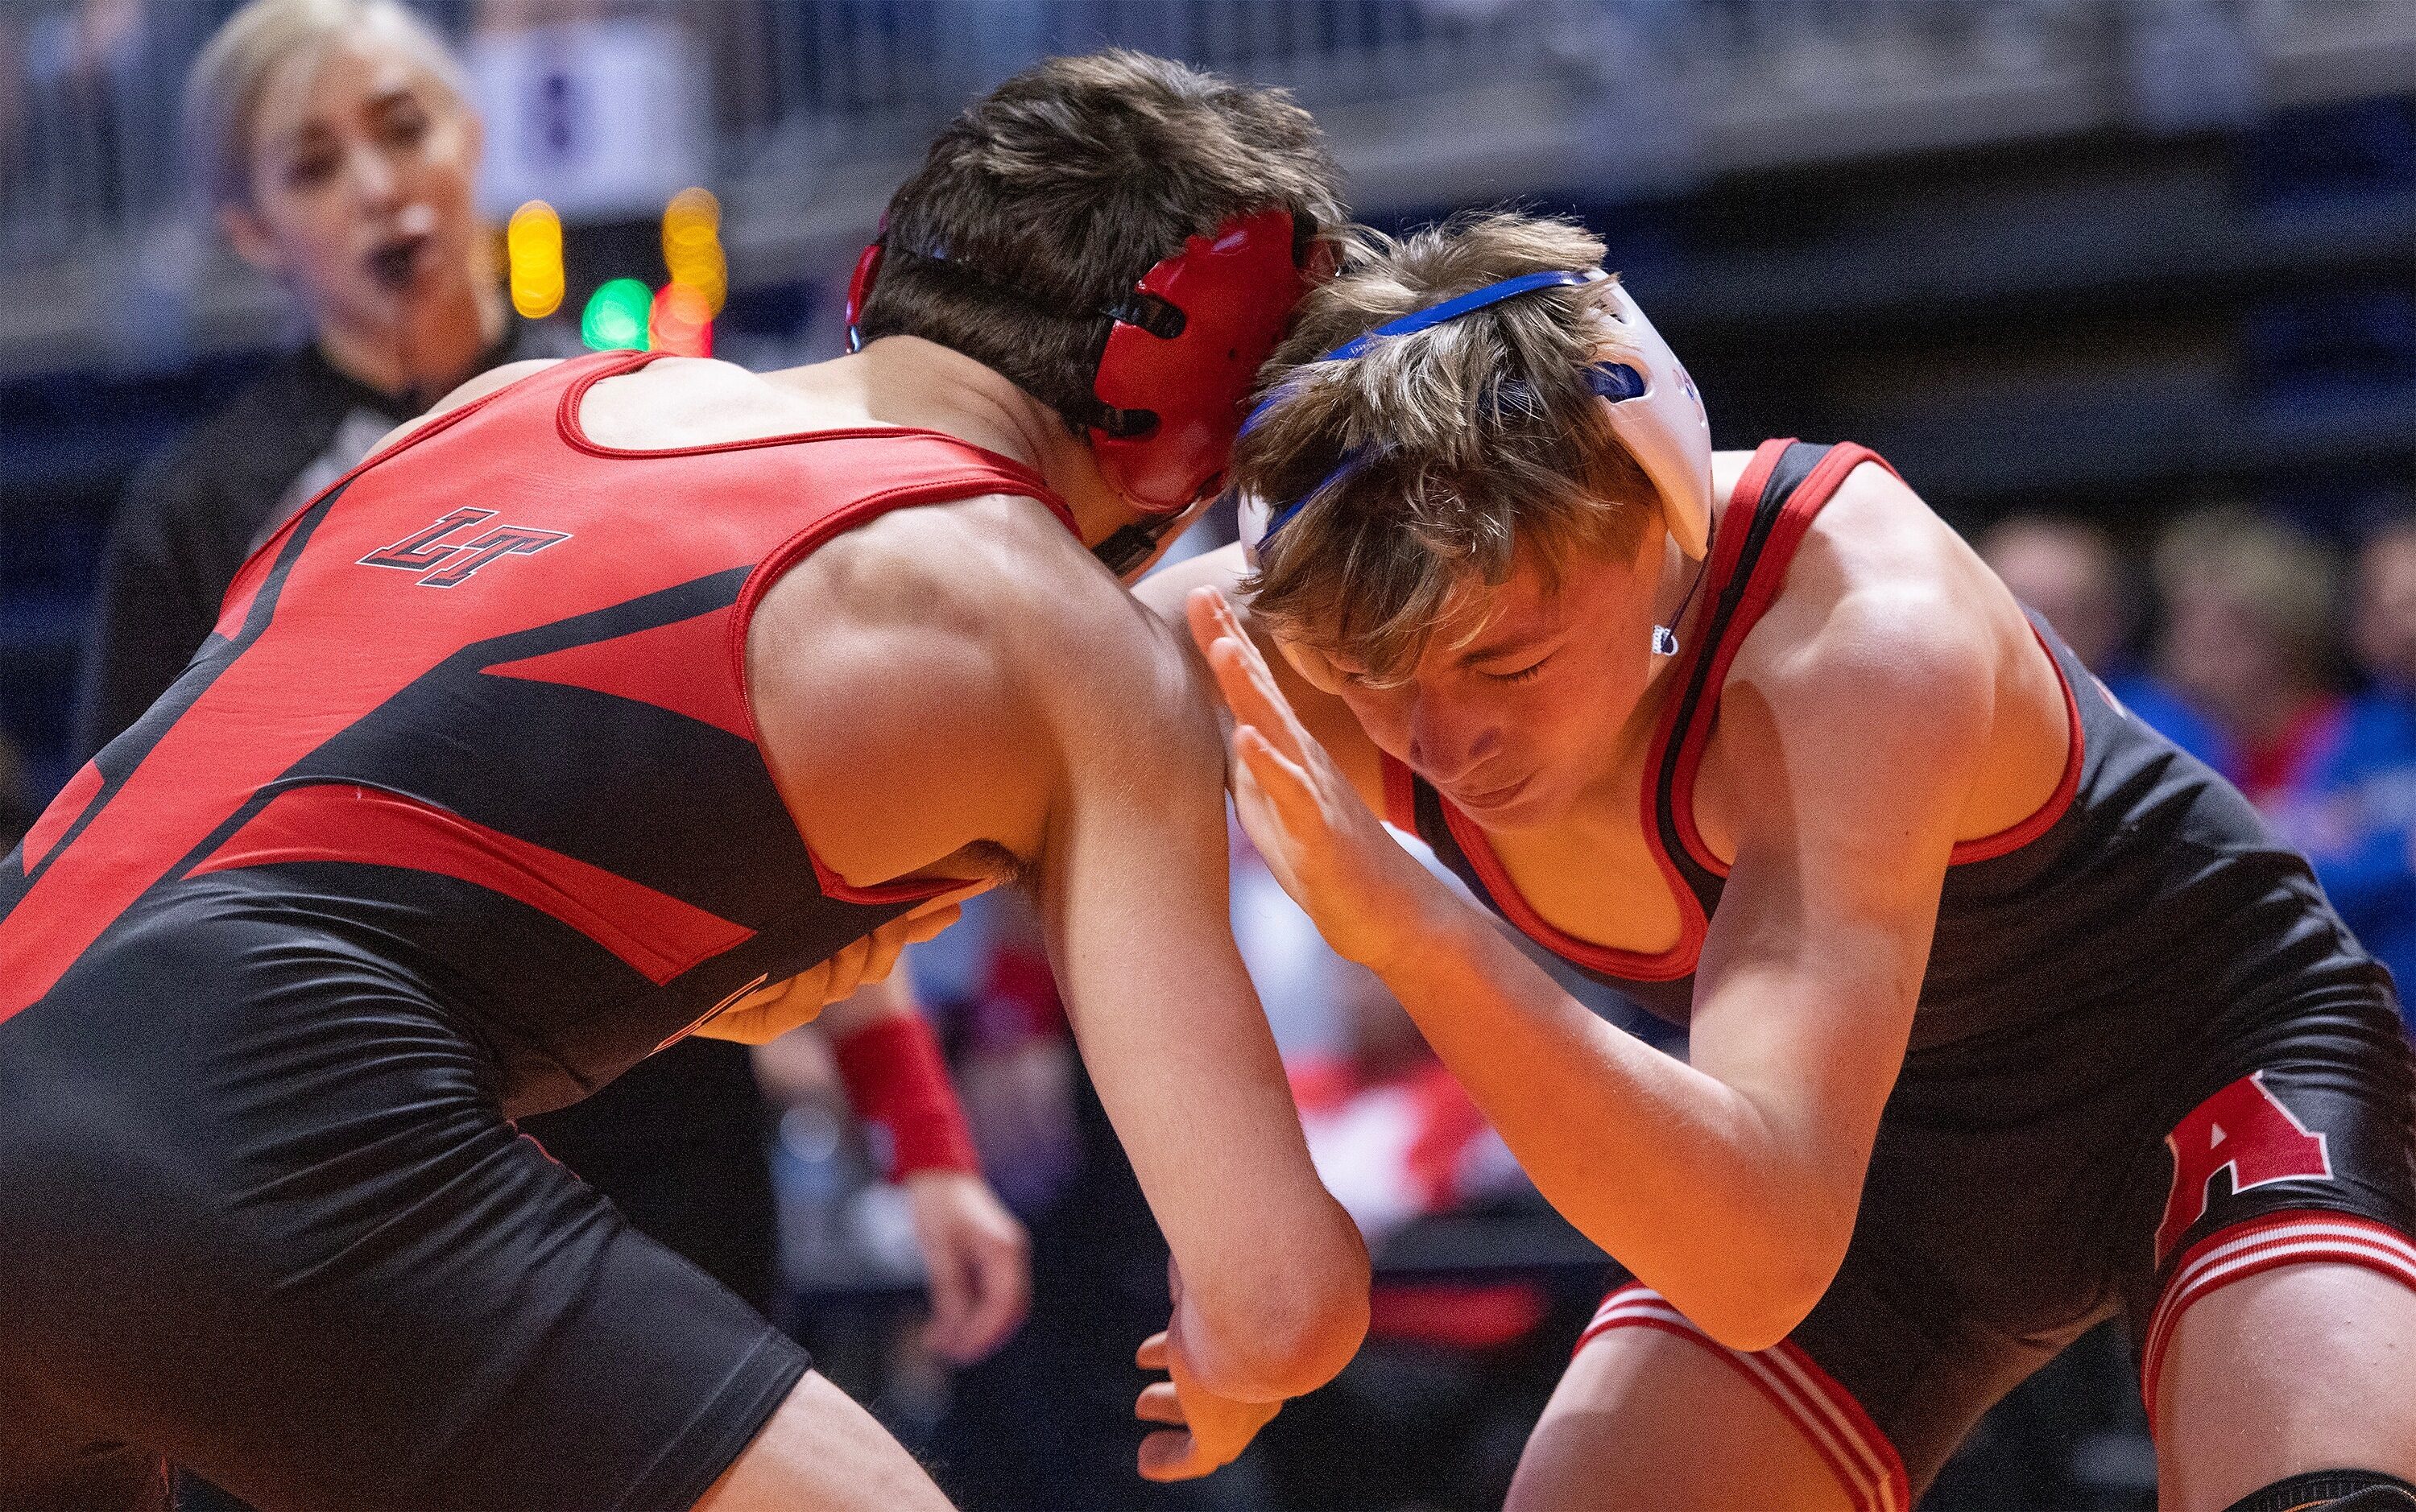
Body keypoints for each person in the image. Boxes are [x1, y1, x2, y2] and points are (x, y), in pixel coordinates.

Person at [0, 47, 1369, 1512]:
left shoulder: (516, 401)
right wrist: (1230, 1351)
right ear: (1196, 408)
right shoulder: (1064, 638)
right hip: (263, 1111)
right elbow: (1283, 1290)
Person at [1147, 211, 2416, 1512]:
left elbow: (1759, 1258)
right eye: (1371, 677)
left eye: (1503, 658)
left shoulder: (1855, 629)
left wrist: (1417, 933)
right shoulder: (1286, 622)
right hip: (1838, 1157)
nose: (1442, 740)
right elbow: (983, 752)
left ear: (1657, 509)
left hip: (2199, 1068)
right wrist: (1237, 1229)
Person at [2275, 513, 2416, 1023]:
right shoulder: (2359, 730)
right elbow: (2300, 869)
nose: (2406, 622)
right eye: (2390, 605)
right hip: (2382, 1031)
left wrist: (2365, 842)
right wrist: (2398, 855)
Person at [1975, 513, 2232, 776]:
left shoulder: (2164, 732)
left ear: (2108, 620)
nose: (2038, 636)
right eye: (2021, 612)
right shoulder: (1957, 716)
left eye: (2065, 614)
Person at [2153, 506, 2348, 812]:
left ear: (2287, 626)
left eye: (2230, 616)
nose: (2197, 634)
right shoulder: (2170, 741)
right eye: (2184, 612)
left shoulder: (2368, 738)